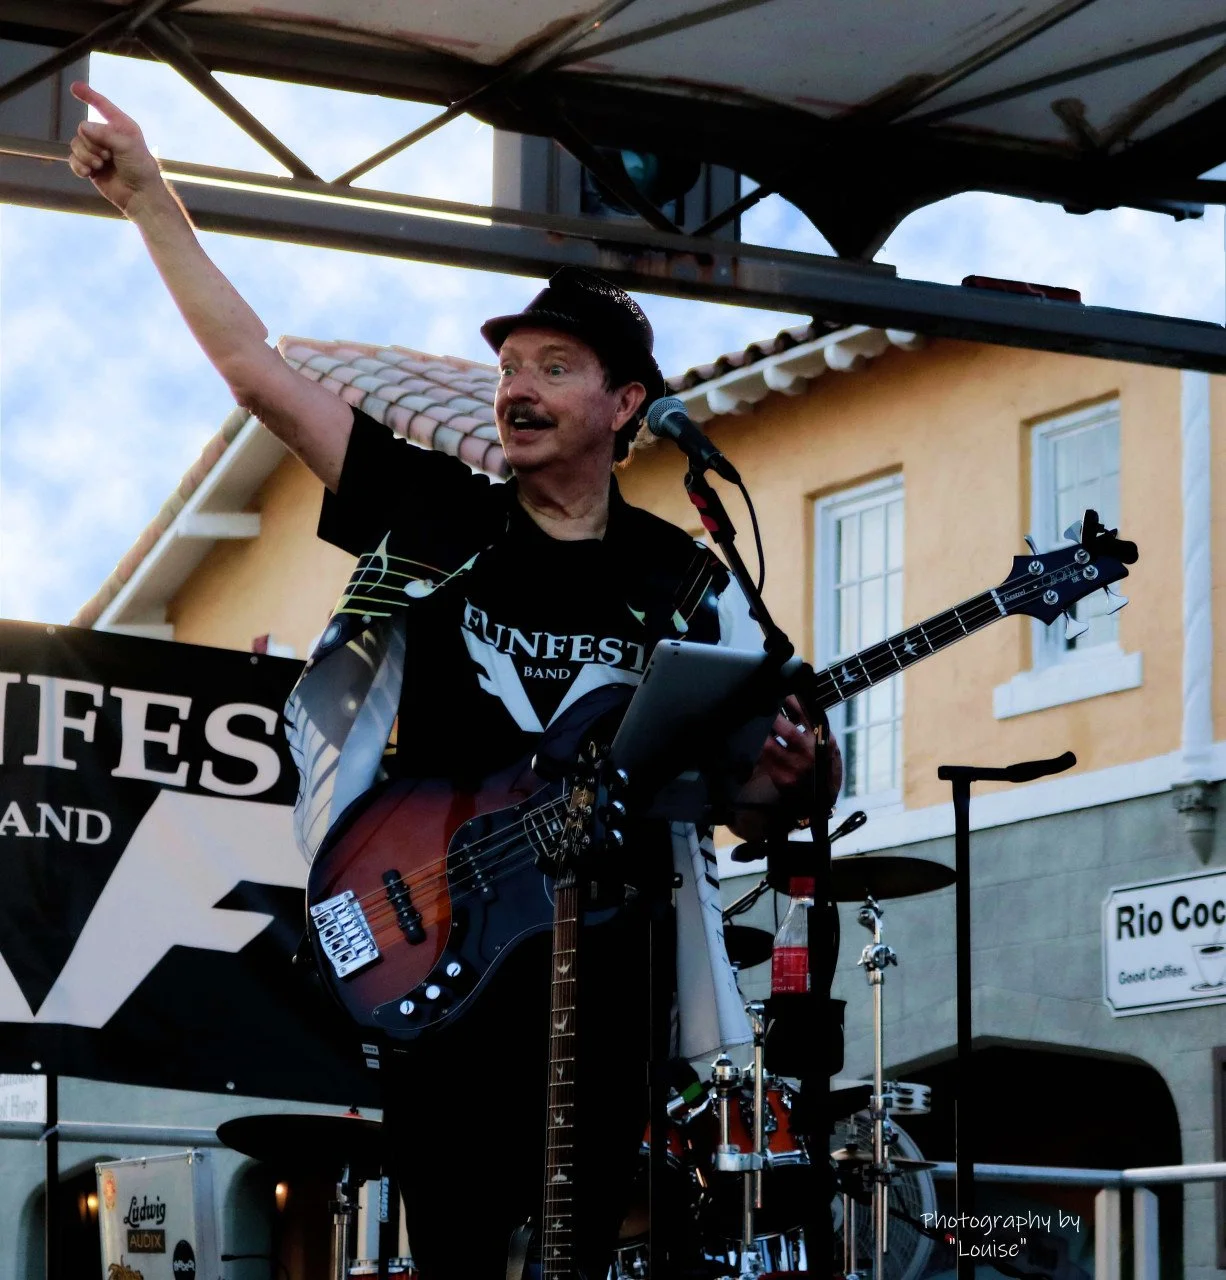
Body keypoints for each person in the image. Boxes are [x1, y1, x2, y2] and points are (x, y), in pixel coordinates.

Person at [68, 82, 833, 1277]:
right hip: (445, 949)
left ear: (624, 403)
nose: (516, 386)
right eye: (510, 365)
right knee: (462, 1244)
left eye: (554, 365)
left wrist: (788, 772)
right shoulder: (439, 516)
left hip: (613, 966)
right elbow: (257, 374)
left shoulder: (684, 578)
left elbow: (745, 800)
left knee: (596, 1244)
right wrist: (148, 197)